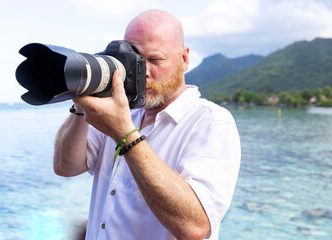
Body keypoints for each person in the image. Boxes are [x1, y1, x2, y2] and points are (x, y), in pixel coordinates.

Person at [54, 9, 240, 240]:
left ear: (184, 59)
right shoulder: (121, 112)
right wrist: (80, 106)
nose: (144, 73)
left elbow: (194, 228)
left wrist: (125, 135)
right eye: (135, 61)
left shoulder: (210, 121)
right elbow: (66, 167)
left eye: (155, 60)